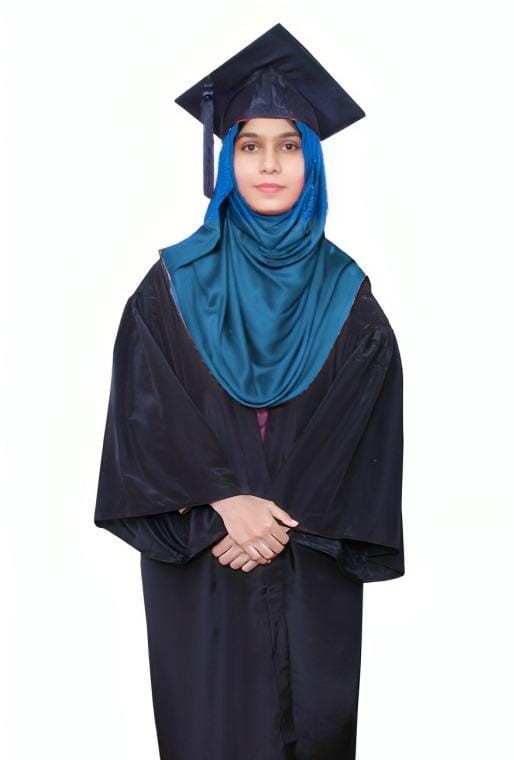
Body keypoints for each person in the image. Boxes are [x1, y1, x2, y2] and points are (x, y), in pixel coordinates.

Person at [94, 22, 405, 760]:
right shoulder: (172, 286)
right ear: (225, 159)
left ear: (313, 162)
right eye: (249, 145)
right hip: (203, 558)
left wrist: (273, 517)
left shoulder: (347, 294)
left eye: (290, 146)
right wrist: (225, 505)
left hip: (309, 563)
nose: (269, 164)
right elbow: (143, 418)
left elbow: (362, 424)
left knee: (311, 731)